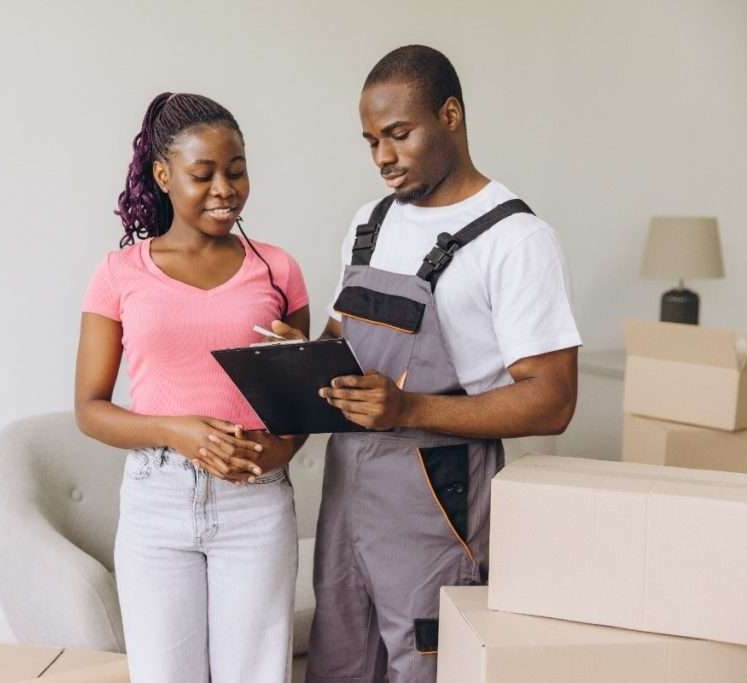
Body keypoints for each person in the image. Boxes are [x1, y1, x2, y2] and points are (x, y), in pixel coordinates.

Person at [273, 46, 582, 681]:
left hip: (437, 498)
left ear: (450, 115)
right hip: (347, 492)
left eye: (398, 134)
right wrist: (298, 358)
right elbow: (347, 340)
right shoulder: (370, 221)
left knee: (428, 666)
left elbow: (553, 400)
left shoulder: (516, 240)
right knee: (340, 662)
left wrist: (409, 408)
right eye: (369, 141)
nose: (382, 157)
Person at [74, 92, 310, 683]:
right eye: (202, 175)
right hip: (157, 504)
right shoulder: (119, 273)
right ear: (163, 175)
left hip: (255, 503)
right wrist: (174, 431)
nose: (225, 189)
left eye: (236, 171)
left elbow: (300, 408)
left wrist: (280, 444)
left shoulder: (278, 269)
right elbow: (90, 409)